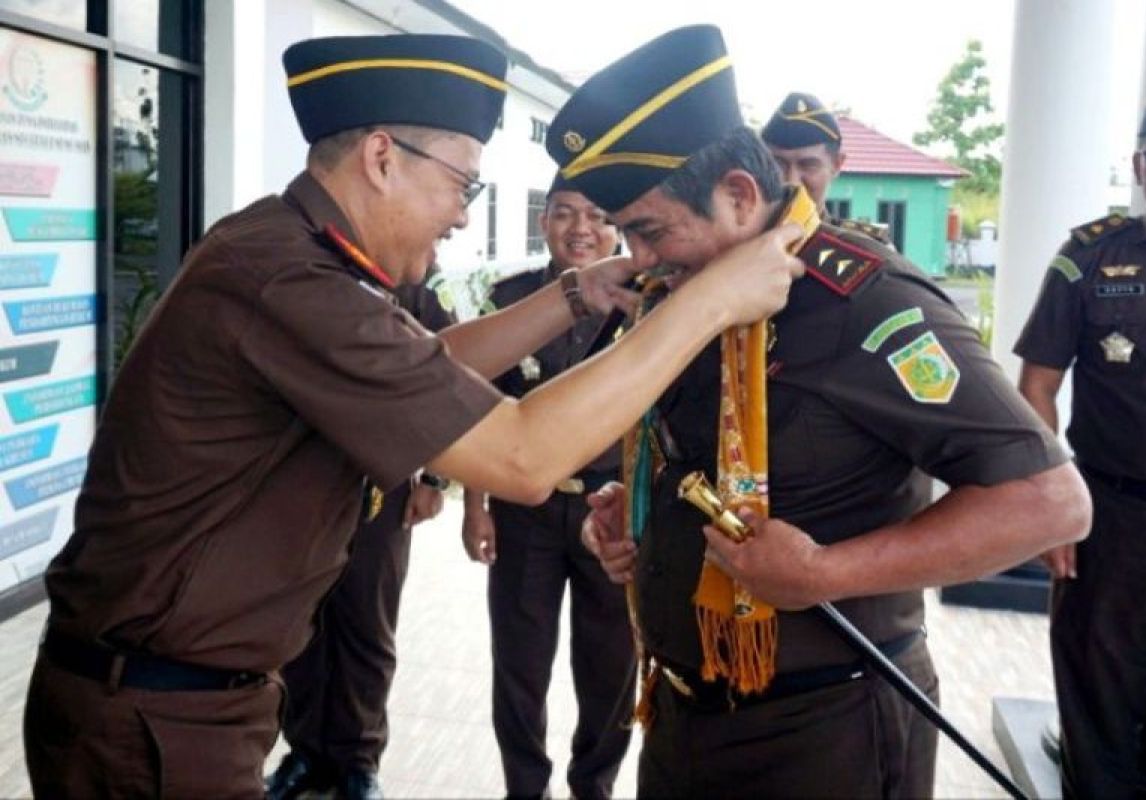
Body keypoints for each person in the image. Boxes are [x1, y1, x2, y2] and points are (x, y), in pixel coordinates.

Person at [22, 32, 806, 797]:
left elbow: (432, 367)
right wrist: (709, 301)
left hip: (184, 702)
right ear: (382, 159)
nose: (464, 217)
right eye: (463, 184)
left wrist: (573, 292)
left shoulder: (292, 253)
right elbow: (522, 458)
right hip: (157, 721)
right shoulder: (290, 281)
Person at [548, 24, 1092, 798]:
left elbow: (1049, 503)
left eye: (648, 230)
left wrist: (825, 572)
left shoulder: (866, 302)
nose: (634, 259)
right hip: (682, 716)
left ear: (738, 194)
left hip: (826, 732)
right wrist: (633, 511)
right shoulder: (681, 293)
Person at [1014, 76, 1146, 799]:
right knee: (1101, 721)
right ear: (1138, 165)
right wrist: (1049, 504)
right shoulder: (1087, 259)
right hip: (1111, 527)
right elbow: (1035, 388)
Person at [461, 175, 635, 800]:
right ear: (544, 223)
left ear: (617, 228)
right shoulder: (513, 300)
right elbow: (481, 405)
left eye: (595, 215)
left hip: (613, 511)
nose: (580, 229)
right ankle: (524, 788)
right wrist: (475, 509)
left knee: (611, 668)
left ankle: (595, 785)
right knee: (519, 665)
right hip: (523, 510)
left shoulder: (647, 301)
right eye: (563, 214)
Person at [267, 275, 456, 800]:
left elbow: (454, 377)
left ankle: (358, 759)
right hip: (305, 487)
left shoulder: (417, 281)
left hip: (381, 489)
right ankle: (305, 751)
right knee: (302, 625)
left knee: (367, 627)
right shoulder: (309, 273)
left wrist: (435, 478)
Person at [761, 91, 889, 243]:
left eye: (808, 165)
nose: (791, 182)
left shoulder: (860, 247)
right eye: (777, 164)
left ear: (836, 165)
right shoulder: (740, 242)